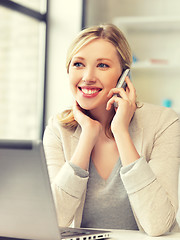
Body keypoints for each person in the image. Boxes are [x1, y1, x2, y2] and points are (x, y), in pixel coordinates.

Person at [43, 24, 180, 236]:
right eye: (78, 64)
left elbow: (158, 224)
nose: (88, 76)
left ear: (124, 75)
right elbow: (53, 220)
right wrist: (88, 135)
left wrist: (121, 132)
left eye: (103, 66)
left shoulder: (164, 123)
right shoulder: (57, 129)